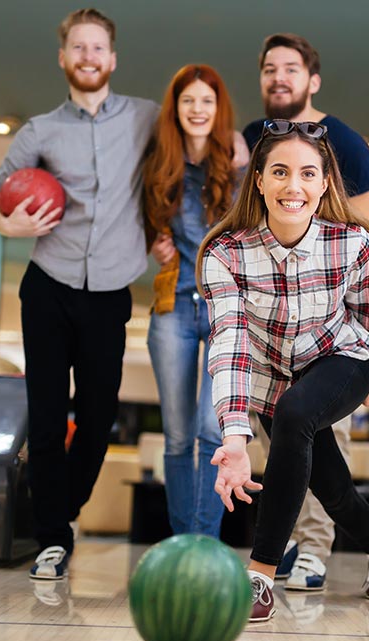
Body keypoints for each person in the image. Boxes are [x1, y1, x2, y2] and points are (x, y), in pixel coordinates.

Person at [0, 8, 159, 580]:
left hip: (110, 289)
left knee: (100, 412)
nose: (87, 56)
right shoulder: (39, 130)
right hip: (48, 283)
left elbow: (200, 145)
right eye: (77, 47)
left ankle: (62, 510)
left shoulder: (148, 119)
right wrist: (8, 225)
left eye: (97, 47)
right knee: (48, 416)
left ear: (112, 58)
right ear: (63, 58)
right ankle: (53, 537)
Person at [198, 119, 369, 623]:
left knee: (294, 412)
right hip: (271, 376)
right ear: (259, 181)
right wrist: (236, 437)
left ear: (325, 183)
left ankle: (260, 576)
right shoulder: (225, 254)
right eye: (281, 172)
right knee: (332, 486)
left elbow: (365, 314)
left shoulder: (353, 242)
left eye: (309, 174)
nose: (295, 186)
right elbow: (230, 345)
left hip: (341, 358)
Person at [241, 32, 369, 592]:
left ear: (312, 80)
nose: (280, 78)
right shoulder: (256, 139)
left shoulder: (344, 142)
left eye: (291, 69)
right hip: (274, 328)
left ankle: (314, 550)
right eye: (270, 68)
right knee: (285, 438)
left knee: (322, 433)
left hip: (331, 333)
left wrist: (366, 343)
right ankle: (299, 543)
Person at [142, 64, 242, 537]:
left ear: (219, 109)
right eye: (189, 101)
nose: (198, 110)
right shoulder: (161, 163)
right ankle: (183, 543)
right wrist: (154, 240)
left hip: (226, 310)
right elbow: (140, 220)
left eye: (207, 101)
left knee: (212, 430)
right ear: (175, 109)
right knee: (179, 436)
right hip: (175, 305)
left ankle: (206, 542)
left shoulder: (238, 164)